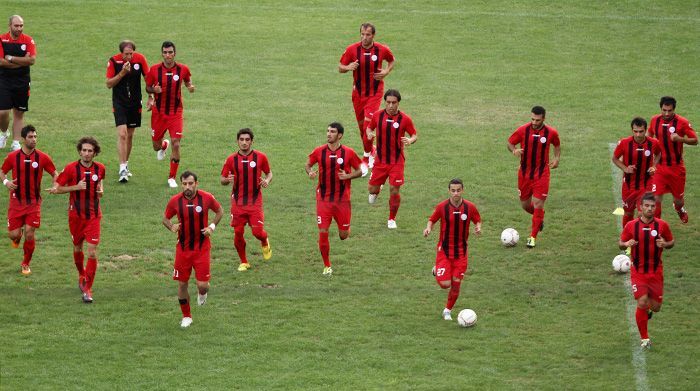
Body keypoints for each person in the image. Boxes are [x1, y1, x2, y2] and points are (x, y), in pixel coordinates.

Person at [49, 137, 106, 304]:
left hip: (94, 216)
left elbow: (100, 183)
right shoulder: (71, 169)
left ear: (95, 153)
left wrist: (100, 190)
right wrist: (76, 187)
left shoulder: (100, 168)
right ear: (80, 151)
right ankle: (81, 273)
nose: (87, 153)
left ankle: (88, 289)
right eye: (84, 150)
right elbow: (57, 189)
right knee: (77, 247)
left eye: (90, 151)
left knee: (92, 252)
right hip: (75, 217)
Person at [163, 171, 223, 328]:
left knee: (202, 285)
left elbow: (220, 211)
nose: (187, 187)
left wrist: (211, 226)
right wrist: (172, 226)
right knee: (182, 284)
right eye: (184, 184)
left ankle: (202, 293)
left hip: (202, 248)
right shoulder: (175, 201)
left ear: (196, 183)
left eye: (190, 183)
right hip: (183, 250)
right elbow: (165, 218)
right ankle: (186, 316)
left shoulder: (207, 198)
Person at [304, 122, 362, 275]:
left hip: (342, 200)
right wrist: (310, 172)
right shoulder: (319, 151)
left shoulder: (348, 153)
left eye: (332, 132)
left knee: (343, 236)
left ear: (340, 135)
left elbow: (361, 170)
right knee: (323, 231)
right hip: (323, 199)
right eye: (328, 131)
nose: (329, 134)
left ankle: (345, 228)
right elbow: (308, 164)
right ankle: (327, 265)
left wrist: (348, 176)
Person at [619, 192, 674, 349]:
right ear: (640, 208)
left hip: (656, 272)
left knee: (655, 307)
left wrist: (665, 243)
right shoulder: (631, 226)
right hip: (638, 271)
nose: (650, 209)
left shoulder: (662, 225)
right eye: (647, 206)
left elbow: (671, 242)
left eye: (652, 206)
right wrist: (626, 243)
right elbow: (620, 243)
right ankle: (645, 339)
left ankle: (648, 311)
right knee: (642, 301)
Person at [339, 22, 395, 175]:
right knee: (362, 128)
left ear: (373, 36)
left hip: (375, 93)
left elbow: (391, 60)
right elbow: (340, 67)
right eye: (362, 34)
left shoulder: (382, 49)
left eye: (368, 35)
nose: (364, 38)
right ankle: (372, 150)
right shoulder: (352, 49)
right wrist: (348, 67)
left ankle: (366, 158)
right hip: (358, 95)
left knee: (367, 128)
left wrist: (386, 71)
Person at [0, 125, 57, 275]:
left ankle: (25, 263)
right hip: (16, 201)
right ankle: (17, 237)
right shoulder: (13, 157)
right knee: (14, 235)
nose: (34, 140)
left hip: (33, 202)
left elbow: (54, 173)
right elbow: (2, 171)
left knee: (30, 233)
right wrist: (7, 182)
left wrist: (55, 185)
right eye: (31, 137)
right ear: (24, 139)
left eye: (35, 137)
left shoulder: (42, 157)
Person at [423, 179, 482, 321]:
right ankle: (437, 269)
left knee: (456, 284)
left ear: (463, 190)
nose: (456, 193)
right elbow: (432, 219)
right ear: (449, 191)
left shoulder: (470, 207)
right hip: (444, 250)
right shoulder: (442, 207)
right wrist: (428, 228)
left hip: (461, 253)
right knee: (445, 285)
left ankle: (447, 310)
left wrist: (478, 227)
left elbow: (477, 219)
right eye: (453, 190)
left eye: (458, 190)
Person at [507, 106, 561, 248]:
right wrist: (514, 150)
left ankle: (532, 237)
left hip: (542, 174)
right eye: (532, 119)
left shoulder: (551, 132)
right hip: (524, 174)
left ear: (543, 118)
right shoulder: (523, 130)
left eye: (537, 120)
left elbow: (557, 144)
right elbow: (510, 142)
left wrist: (556, 158)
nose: (534, 122)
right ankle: (539, 217)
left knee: (538, 203)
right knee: (525, 205)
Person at [221, 128, 273, 271]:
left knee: (257, 232)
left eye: (247, 140)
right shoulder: (231, 159)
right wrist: (227, 179)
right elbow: (222, 179)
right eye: (241, 140)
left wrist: (267, 180)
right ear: (237, 141)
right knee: (238, 232)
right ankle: (244, 261)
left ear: (251, 141)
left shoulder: (261, 157)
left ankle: (264, 240)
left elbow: (269, 173)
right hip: (237, 203)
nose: (244, 143)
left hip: (254, 202)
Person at [366, 89, 417, 229]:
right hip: (380, 160)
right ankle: (378, 188)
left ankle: (391, 219)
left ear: (398, 103)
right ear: (385, 102)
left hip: (397, 161)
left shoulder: (405, 119)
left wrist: (410, 140)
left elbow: (414, 134)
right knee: (371, 190)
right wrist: (370, 134)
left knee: (394, 190)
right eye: (388, 102)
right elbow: (369, 128)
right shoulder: (377, 116)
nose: (391, 105)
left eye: (393, 103)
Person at [146, 41, 195, 188]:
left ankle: (172, 177)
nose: (168, 55)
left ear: (175, 53)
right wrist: (154, 91)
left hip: (176, 113)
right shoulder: (154, 70)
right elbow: (148, 87)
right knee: (156, 146)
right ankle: (163, 145)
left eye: (170, 52)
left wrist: (190, 87)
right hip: (159, 113)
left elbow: (188, 81)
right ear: (162, 53)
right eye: (165, 52)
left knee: (177, 143)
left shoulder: (183, 69)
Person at [105, 40, 152, 183]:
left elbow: (149, 79)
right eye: (126, 54)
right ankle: (122, 169)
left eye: (131, 53)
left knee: (130, 135)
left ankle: (125, 163)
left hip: (135, 102)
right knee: (122, 134)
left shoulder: (140, 59)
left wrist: (151, 97)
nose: (129, 57)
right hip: (119, 102)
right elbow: (108, 84)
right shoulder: (114, 61)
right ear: (121, 53)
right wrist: (122, 73)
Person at [646, 96, 697, 223]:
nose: (667, 113)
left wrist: (681, 139)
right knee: (656, 199)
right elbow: (649, 136)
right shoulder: (654, 120)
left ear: (674, 109)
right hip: (659, 167)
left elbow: (695, 140)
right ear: (660, 108)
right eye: (664, 110)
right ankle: (656, 226)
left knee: (678, 200)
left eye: (670, 110)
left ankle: (679, 208)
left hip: (676, 168)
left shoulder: (682, 122)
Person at [612, 117, 661, 228]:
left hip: (646, 184)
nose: (638, 134)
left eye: (641, 131)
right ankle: (627, 236)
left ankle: (641, 237)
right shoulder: (624, 143)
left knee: (642, 213)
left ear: (645, 130)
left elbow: (658, 154)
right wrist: (625, 169)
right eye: (635, 131)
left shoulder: (653, 143)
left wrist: (654, 166)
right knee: (628, 213)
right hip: (629, 186)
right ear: (632, 130)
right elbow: (615, 158)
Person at [0, 15, 37, 151]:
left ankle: (16, 142)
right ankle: (4, 133)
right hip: (4, 80)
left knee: (18, 112)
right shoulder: (1, 39)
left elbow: (31, 61)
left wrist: (10, 58)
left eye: (21, 25)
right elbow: (0, 62)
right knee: (3, 112)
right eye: (16, 26)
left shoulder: (28, 40)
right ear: (9, 25)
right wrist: (21, 62)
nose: (19, 28)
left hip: (22, 81)